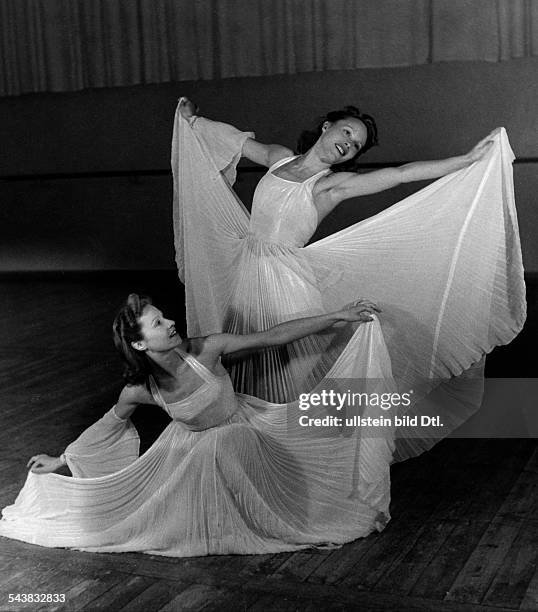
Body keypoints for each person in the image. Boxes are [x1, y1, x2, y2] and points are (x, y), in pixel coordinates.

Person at [171, 98, 526, 458]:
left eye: (356, 145)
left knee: (291, 377)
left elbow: (400, 174)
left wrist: (464, 161)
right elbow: (236, 141)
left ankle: (301, 457)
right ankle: (249, 451)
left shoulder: (331, 185)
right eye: (347, 133)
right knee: (242, 362)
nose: (349, 144)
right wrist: (194, 122)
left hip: (287, 284)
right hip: (247, 275)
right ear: (327, 127)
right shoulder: (277, 157)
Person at [0, 294, 397, 557]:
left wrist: (338, 315)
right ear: (140, 345)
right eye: (158, 324)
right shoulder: (141, 389)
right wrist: (63, 459)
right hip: (194, 453)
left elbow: (272, 337)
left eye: (163, 316)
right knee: (171, 498)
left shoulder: (206, 350)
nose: (170, 322)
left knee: (229, 442)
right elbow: (109, 424)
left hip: (247, 431)